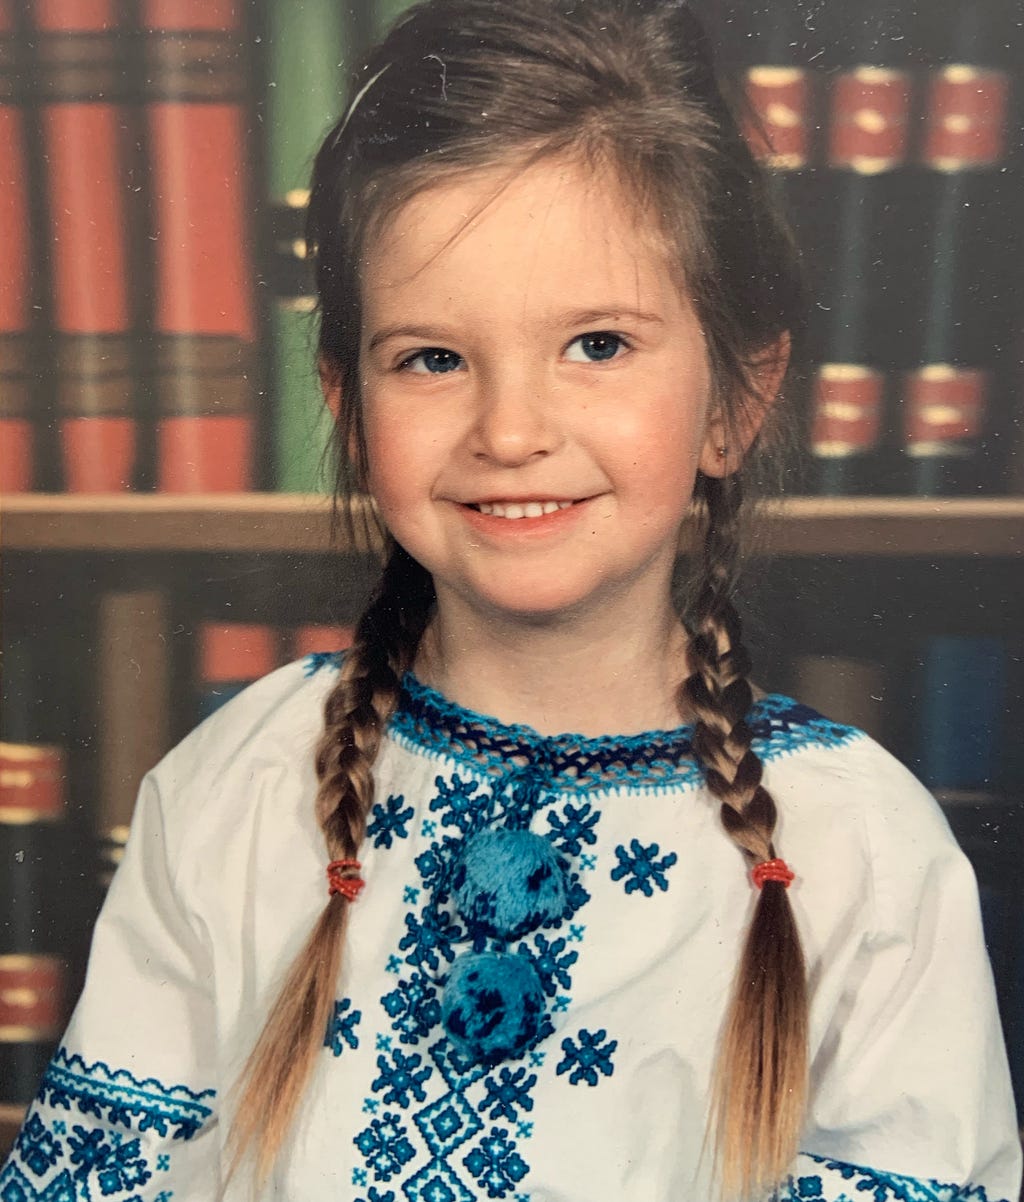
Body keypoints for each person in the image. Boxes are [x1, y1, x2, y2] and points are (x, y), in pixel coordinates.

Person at [2, 1, 1020, 1199]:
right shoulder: (240, 785)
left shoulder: (862, 851)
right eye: (431, 357)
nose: (511, 431)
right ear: (347, 396)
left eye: (596, 343)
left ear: (738, 394)